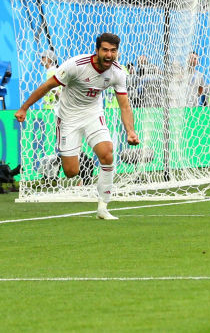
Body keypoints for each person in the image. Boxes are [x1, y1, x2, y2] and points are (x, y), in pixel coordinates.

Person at [14, 33, 138, 220]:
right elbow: (47, 86)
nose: (109, 55)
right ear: (97, 50)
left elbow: (125, 105)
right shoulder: (76, 65)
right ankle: (65, 155)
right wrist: (24, 107)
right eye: (105, 50)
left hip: (93, 114)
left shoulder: (118, 72)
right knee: (71, 172)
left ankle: (103, 207)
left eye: (113, 51)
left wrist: (130, 131)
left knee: (107, 153)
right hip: (68, 117)